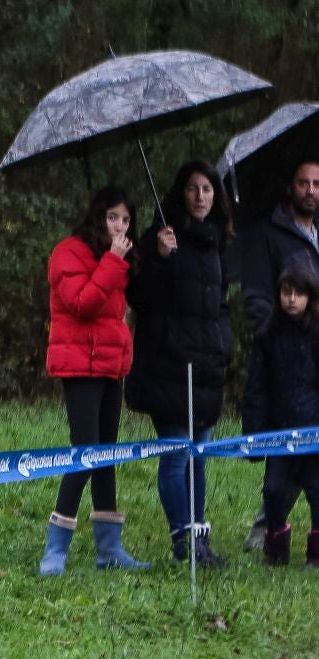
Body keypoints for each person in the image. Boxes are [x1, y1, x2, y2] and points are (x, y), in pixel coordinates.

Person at [125, 162, 233, 568]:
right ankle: (182, 541)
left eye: (207, 188)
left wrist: (224, 345)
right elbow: (141, 298)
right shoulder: (157, 240)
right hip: (168, 367)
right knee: (176, 456)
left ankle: (200, 541)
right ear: (181, 194)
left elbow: (219, 304)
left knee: (199, 456)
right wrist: (159, 257)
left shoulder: (216, 242)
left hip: (206, 369)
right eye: (192, 188)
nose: (200, 196)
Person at [37, 186, 150, 575]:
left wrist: (160, 254)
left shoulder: (115, 258)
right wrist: (113, 262)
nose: (119, 226)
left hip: (109, 365)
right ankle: (56, 547)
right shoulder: (67, 252)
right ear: (97, 217)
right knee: (84, 452)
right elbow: (83, 302)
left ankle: (109, 548)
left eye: (125, 220)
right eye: (112, 217)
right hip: (79, 365)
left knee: (108, 454)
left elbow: (135, 300)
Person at [238, 160, 319, 551]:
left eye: (317, 183)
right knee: (280, 476)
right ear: (291, 186)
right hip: (281, 354)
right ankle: (268, 532)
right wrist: (274, 328)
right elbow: (254, 291)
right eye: (303, 182)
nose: (310, 190)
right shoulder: (267, 233)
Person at [242, 262, 319, 566]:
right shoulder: (267, 335)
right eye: (286, 292)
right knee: (273, 490)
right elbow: (256, 388)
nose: (291, 299)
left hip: (314, 431)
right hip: (278, 431)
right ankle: (275, 548)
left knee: (317, 490)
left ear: (309, 296)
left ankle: (315, 554)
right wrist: (253, 436)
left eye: (298, 293)